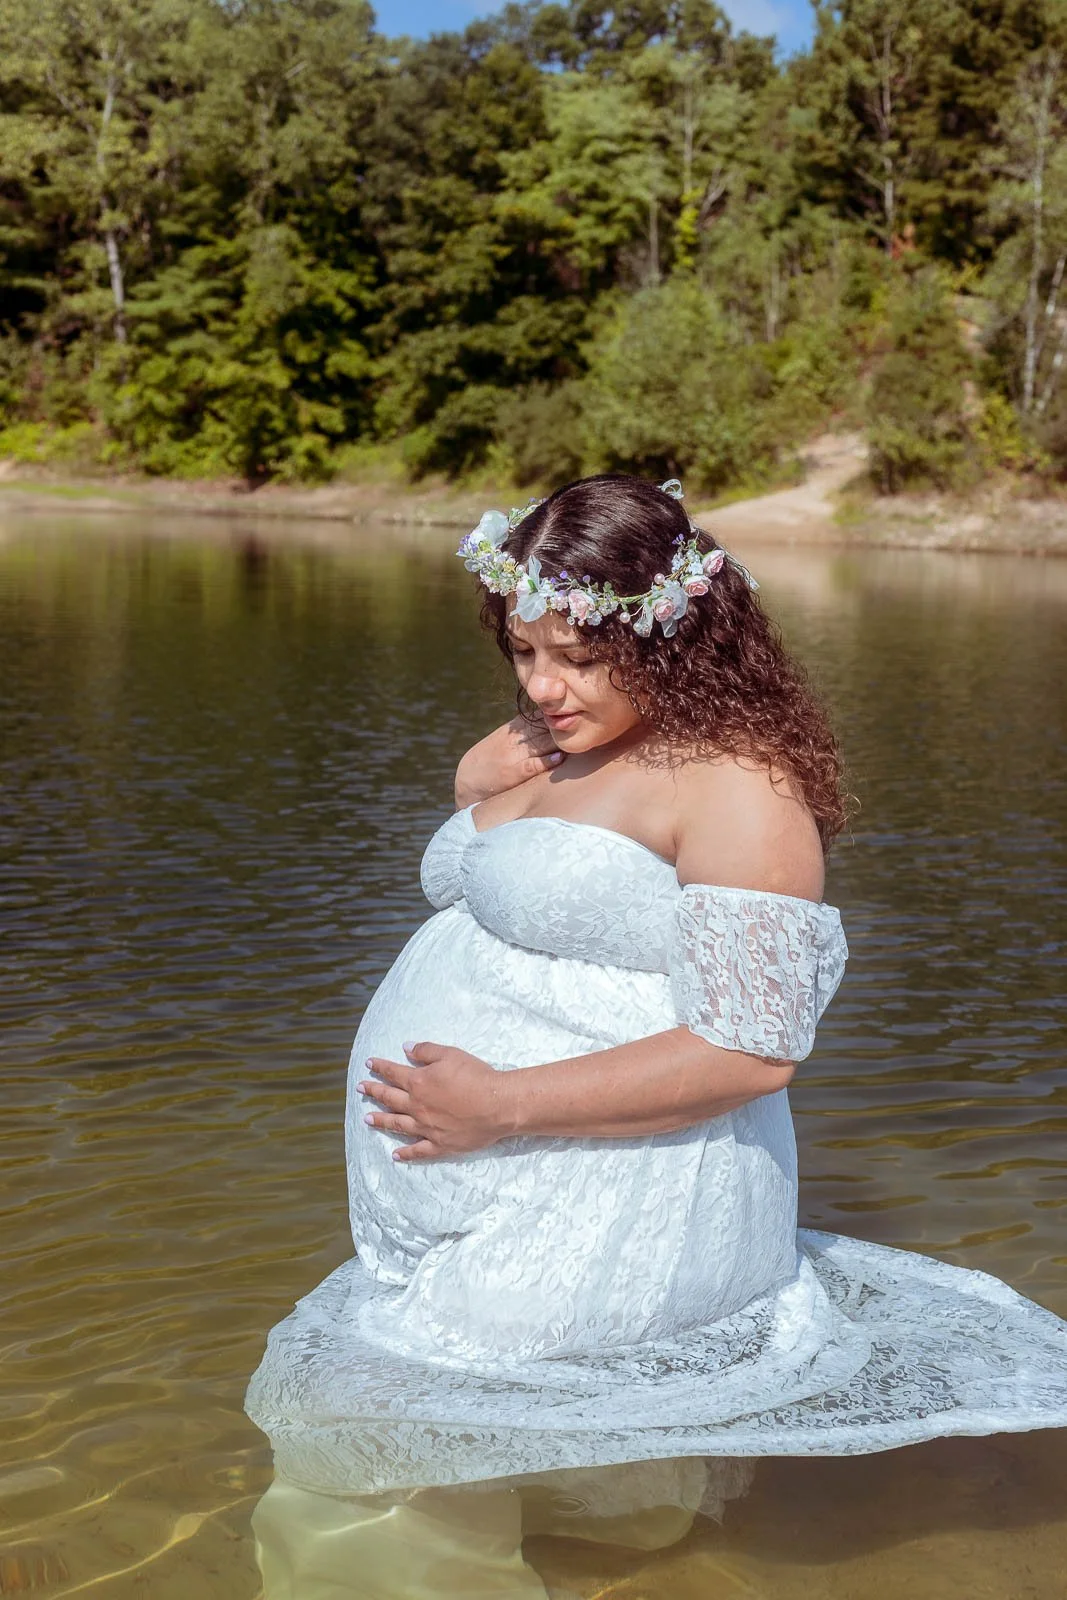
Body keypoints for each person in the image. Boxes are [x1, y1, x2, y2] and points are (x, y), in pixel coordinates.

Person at [246, 474, 1067, 1520]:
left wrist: (500, 1105)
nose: (543, 684)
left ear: (669, 635)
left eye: (578, 656)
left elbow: (752, 1053)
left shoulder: (737, 788)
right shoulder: (565, 739)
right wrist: (476, 778)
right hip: (491, 1195)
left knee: (373, 1474)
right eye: (522, 651)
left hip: (612, 1194)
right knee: (461, 1474)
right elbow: (500, 869)